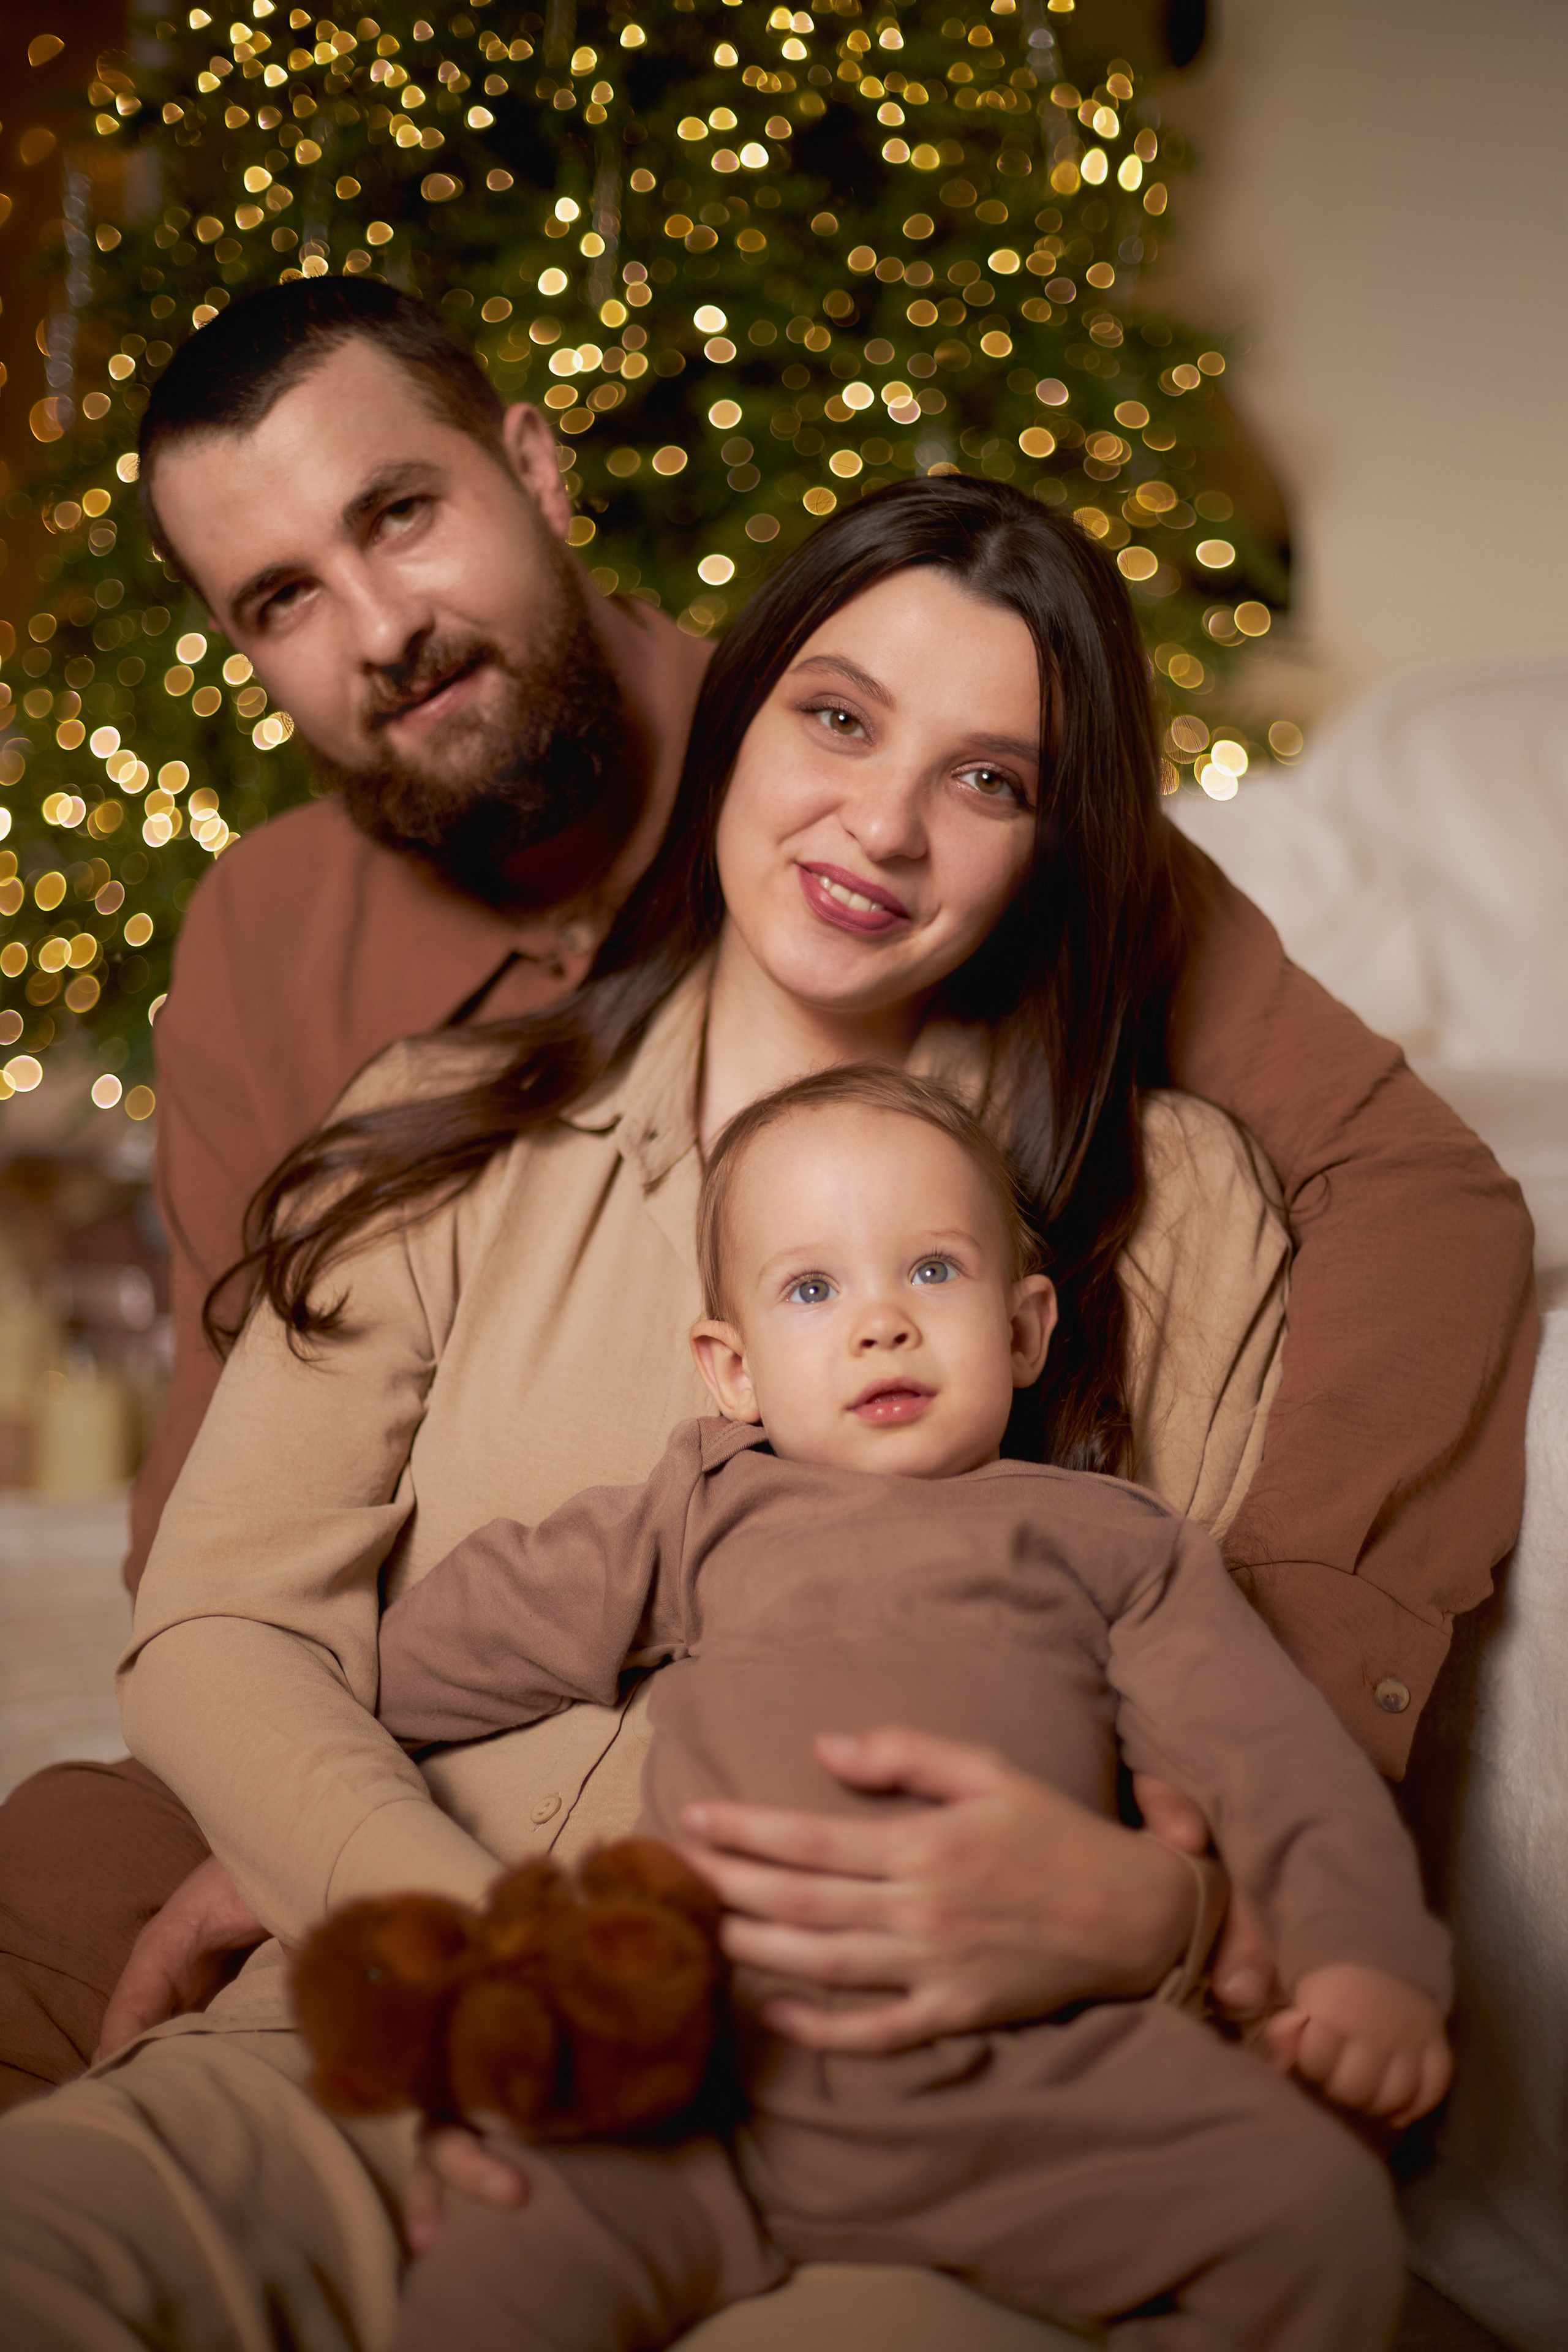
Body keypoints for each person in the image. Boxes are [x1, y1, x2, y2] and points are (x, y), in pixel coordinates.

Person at [0, 279, 1532, 2127]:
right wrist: (317, 1827)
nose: (382, 629)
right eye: (281, 600)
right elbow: (225, 1545)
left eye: (399, 514)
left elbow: (1408, 1186)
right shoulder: (275, 945)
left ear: (532, 469)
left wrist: (1264, 1776)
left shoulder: (888, 712)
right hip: (421, 1743)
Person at [378, 1063, 1451, 2352]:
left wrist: (1365, 1964)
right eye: (812, 1290)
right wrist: (328, 1711)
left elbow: (1274, 1764)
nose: (880, 1324)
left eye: (932, 1272)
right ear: (731, 1369)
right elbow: (484, 1618)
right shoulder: (705, 1507)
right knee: (495, 2247)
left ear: (1024, 1330)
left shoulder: (1113, 1542)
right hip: (705, 2073)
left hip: (1021, 2075)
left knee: (1321, 2217)